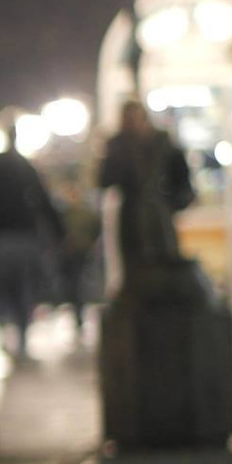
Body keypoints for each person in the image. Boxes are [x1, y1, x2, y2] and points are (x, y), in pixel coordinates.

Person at [0, 127, 62, 360]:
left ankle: (6, 330)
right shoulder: (24, 167)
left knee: (2, 287)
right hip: (20, 234)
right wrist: (59, 231)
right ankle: (19, 334)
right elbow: (42, 199)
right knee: (22, 286)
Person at [100, 100, 192, 269]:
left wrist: (172, 202)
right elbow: (105, 180)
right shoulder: (119, 146)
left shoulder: (162, 144)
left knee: (165, 265)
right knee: (136, 267)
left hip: (158, 215)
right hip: (133, 218)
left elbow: (182, 179)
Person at [51, 173, 101, 337]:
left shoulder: (84, 213)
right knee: (72, 284)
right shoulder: (64, 213)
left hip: (81, 252)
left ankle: (79, 312)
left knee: (78, 283)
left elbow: (95, 229)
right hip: (69, 253)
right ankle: (76, 311)